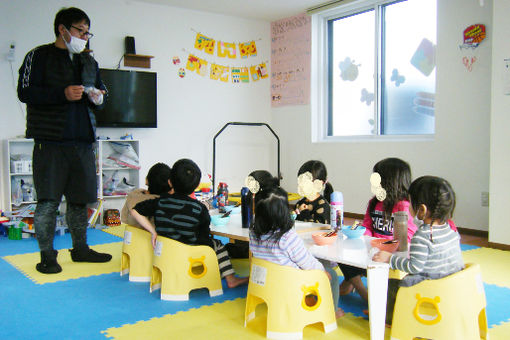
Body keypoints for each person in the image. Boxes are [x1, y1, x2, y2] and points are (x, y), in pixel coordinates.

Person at [17, 7, 111, 274]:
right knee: (48, 201)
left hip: (83, 141)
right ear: (62, 29)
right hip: (50, 142)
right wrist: (62, 93)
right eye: (80, 30)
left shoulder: (89, 62)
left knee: (80, 201)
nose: (84, 36)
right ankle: (47, 255)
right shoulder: (38, 56)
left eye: (87, 31)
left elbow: (103, 94)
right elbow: (25, 92)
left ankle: (80, 249)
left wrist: (99, 98)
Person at [130, 158, 248, 288]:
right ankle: (231, 279)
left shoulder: (161, 201)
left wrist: (153, 231)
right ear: (196, 186)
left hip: (166, 253)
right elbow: (204, 235)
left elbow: (135, 211)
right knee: (218, 244)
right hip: (190, 254)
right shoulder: (199, 208)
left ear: (170, 182)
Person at [373, 176, 464, 325]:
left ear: (422, 209)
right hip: (452, 283)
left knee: (393, 282)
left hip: (431, 285)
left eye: (411, 203)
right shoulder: (450, 230)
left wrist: (389, 258)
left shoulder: (422, 236)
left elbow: (414, 267)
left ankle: (389, 319)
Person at [250, 186, 344, 318]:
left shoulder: (254, 233)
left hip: (266, 283)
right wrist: (323, 271)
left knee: (316, 264)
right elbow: (307, 262)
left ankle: (311, 300)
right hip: (290, 285)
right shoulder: (287, 236)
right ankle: (332, 312)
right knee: (331, 274)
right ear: (283, 212)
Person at [339, 158, 416, 302]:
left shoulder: (404, 206)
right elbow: (367, 225)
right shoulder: (374, 202)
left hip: (391, 255)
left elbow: (408, 236)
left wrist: (387, 249)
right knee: (342, 250)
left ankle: (351, 283)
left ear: (389, 182)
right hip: (373, 249)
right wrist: (364, 239)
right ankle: (362, 290)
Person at [121, 162, 172, 228]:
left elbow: (123, 219)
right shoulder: (162, 203)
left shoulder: (134, 194)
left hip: (129, 234)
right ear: (170, 184)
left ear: (146, 180)